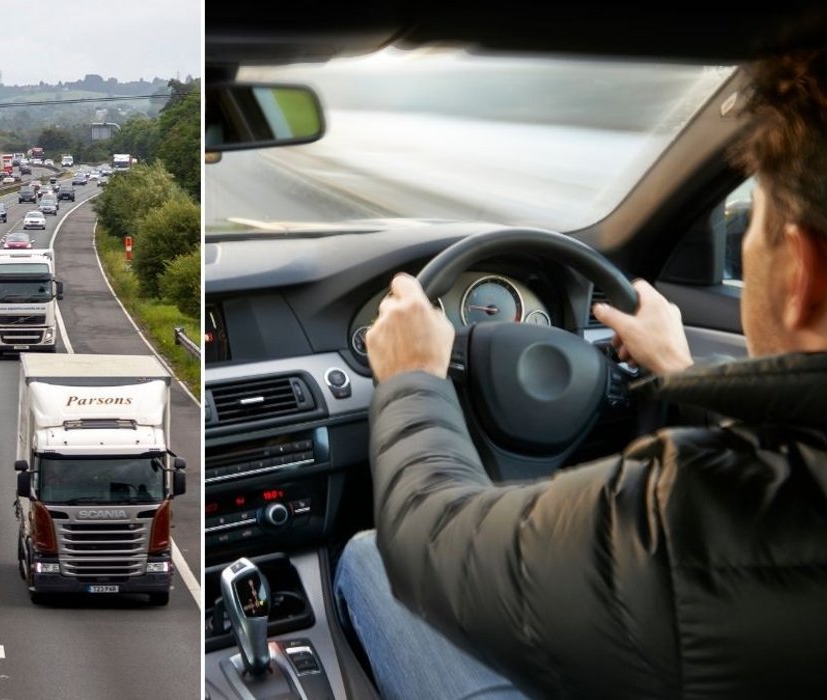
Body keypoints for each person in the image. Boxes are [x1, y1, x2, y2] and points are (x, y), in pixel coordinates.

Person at [333, 50, 827, 698]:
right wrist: (677, 369)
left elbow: (428, 541)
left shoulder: (687, 522)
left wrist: (412, 378)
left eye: (750, 225)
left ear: (801, 274)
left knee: (369, 556)